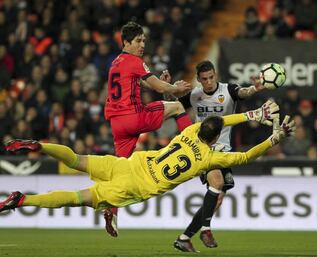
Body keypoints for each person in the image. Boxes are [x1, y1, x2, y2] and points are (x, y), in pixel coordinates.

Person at [0, 102, 295, 235]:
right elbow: (244, 157)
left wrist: (249, 115)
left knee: (76, 159)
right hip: (133, 187)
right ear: (216, 138)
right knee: (77, 198)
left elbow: (220, 121)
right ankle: (24, 199)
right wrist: (273, 137)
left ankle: (41, 145)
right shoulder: (209, 159)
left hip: (127, 164)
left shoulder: (189, 131)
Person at [103, 21, 193, 237]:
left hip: (117, 124)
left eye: (144, 40)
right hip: (134, 117)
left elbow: (136, 83)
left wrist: (157, 83)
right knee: (177, 106)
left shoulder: (116, 63)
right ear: (126, 42)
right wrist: (175, 88)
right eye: (138, 41)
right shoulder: (135, 61)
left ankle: (111, 212)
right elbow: (159, 87)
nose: (142, 44)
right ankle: (195, 144)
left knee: (119, 169)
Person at [173, 60, 268, 251]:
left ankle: (185, 237)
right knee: (217, 184)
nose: (208, 82)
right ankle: (206, 229)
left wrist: (254, 89)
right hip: (203, 149)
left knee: (217, 199)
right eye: (204, 79)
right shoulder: (194, 95)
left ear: (215, 75)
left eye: (211, 77)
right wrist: (168, 90)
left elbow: (243, 92)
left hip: (224, 150)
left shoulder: (228, 90)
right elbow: (172, 106)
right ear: (199, 79)